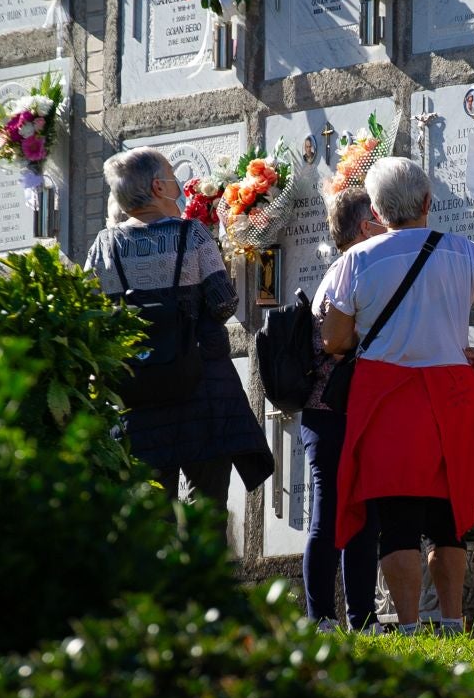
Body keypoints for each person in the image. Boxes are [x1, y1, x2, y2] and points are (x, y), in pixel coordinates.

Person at [322, 158, 474, 635]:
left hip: (386, 394)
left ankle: (406, 626)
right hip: (449, 391)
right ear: (427, 202)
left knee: (397, 516)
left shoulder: (356, 261)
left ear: (376, 212)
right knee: (447, 515)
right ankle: (452, 620)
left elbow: (334, 339)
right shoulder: (460, 251)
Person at [87, 148, 272, 522]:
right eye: (172, 175)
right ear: (158, 187)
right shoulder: (193, 235)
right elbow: (223, 304)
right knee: (205, 515)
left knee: (151, 521)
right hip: (200, 391)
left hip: (138, 399)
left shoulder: (104, 246)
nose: (178, 183)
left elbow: (93, 316)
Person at [302, 187, 384, 633]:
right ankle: (321, 618)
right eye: (380, 218)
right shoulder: (348, 269)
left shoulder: (358, 266)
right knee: (331, 512)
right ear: (364, 226)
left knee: (363, 516)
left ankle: (362, 618)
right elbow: (335, 342)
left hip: (349, 411)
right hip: (329, 411)